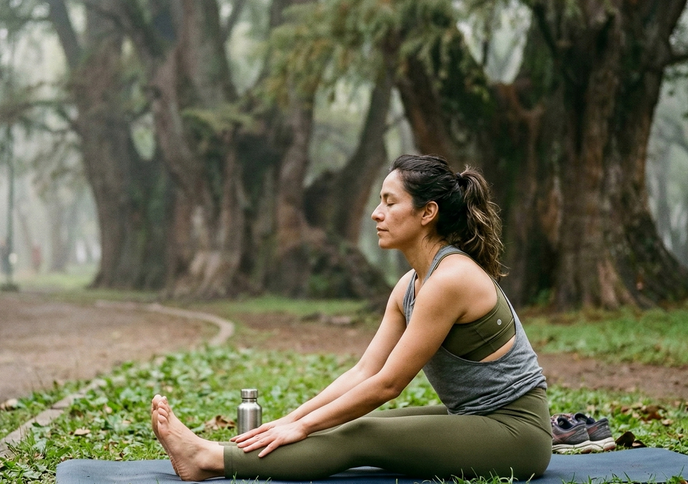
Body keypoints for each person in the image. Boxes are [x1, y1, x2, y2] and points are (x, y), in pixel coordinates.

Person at [150, 154, 551, 481]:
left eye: (390, 202)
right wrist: (292, 419)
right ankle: (219, 453)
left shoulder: (450, 279)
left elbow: (388, 384)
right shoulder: (409, 286)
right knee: (339, 422)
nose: (376, 213)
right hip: (477, 418)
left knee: (360, 431)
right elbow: (364, 372)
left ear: (427, 212)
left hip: (517, 433)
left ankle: (208, 460)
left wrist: (303, 427)